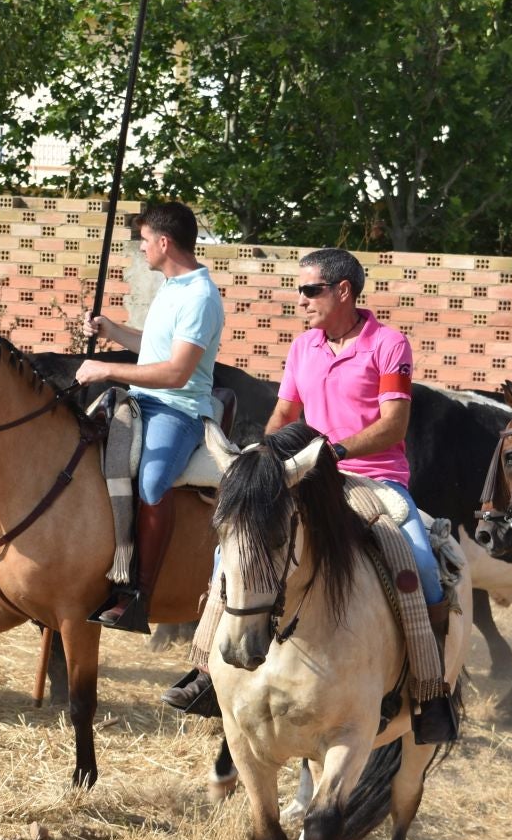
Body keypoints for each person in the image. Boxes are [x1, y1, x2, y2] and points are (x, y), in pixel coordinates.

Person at [165, 247, 457, 742]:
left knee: (421, 565)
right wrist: (263, 456)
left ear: (342, 290)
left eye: (309, 290)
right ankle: (206, 673)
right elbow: (284, 415)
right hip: (301, 476)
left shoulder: (388, 345)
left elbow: (393, 425)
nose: (299, 300)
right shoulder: (304, 348)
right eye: (299, 290)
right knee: (231, 549)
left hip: (372, 478)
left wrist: (331, 451)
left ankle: (429, 692)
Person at [76, 201, 226, 632]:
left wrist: (107, 369)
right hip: (141, 400)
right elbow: (155, 347)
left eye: (144, 241)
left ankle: (138, 593)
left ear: (164, 242)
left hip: (178, 410)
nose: (141, 249)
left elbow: (177, 373)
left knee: (154, 480)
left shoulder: (200, 296)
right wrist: (113, 332)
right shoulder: (172, 287)